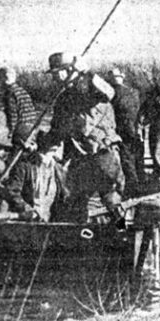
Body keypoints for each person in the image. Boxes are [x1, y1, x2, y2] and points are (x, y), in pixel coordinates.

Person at [47, 52, 125, 224]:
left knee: (111, 198)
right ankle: (80, 241)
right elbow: (56, 131)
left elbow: (110, 93)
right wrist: (38, 146)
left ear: (66, 71)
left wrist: (87, 72)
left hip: (103, 155)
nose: (54, 78)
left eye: (55, 73)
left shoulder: (89, 86)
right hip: (79, 159)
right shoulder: (62, 99)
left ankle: (123, 234)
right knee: (74, 203)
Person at [0, 130, 68, 222]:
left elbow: (63, 198)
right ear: (40, 140)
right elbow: (12, 191)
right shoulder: (25, 165)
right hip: (26, 222)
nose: (57, 144)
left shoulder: (58, 169)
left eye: (59, 141)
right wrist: (27, 209)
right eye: (52, 139)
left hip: (50, 223)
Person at [106, 68, 144, 195]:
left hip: (122, 131)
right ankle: (140, 186)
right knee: (137, 160)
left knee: (126, 160)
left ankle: (132, 189)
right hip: (135, 130)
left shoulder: (111, 94)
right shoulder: (134, 92)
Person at [0, 66, 39, 149]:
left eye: (0, 78)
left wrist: (10, 133)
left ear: (5, 78)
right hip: (32, 127)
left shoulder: (9, 93)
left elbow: (13, 115)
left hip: (21, 129)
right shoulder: (22, 91)